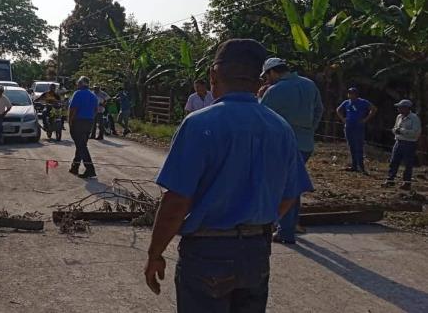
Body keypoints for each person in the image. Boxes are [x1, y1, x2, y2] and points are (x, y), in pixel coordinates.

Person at [144, 39, 312, 313]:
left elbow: (176, 202)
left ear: (213, 76)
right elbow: (290, 194)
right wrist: (259, 224)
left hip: (207, 253)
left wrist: (155, 254)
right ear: (259, 79)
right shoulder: (279, 127)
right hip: (256, 252)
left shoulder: (199, 124)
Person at [260, 57, 323, 244]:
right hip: (305, 144)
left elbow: (260, 117)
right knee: (293, 185)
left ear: (273, 72)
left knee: (283, 188)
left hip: (282, 146)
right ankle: (291, 224)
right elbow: (320, 109)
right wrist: (309, 129)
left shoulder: (275, 91)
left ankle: (285, 231)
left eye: (267, 76)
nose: (266, 80)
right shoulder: (309, 84)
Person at [382, 99, 422, 190]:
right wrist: (395, 131)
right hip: (398, 142)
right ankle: (390, 180)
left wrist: (402, 131)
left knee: (408, 164)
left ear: (407, 108)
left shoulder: (414, 118)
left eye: (401, 107)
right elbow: (395, 127)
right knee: (393, 161)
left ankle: (407, 182)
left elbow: (416, 132)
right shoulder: (399, 117)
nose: (399, 109)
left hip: (409, 143)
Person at [336, 87, 377, 173]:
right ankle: (354, 166)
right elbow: (338, 110)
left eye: (352, 93)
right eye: (349, 93)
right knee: (351, 146)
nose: (350, 95)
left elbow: (373, 109)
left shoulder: (363, 102)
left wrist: (365, 119)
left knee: (359, 146)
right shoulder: (346, 102)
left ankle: (361, 167)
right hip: (349, 126)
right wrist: (343, 119)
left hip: (358, 127)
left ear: (356, 94)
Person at [68, 76, 99, 178]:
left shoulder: (78, 94)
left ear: (81, 83)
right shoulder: (93, 95)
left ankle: (90, 169)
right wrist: (90, 119)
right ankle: (75, 167)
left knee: (81, 146)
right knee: (81, 145)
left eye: (78, 83)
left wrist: (70, 121)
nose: (77, 84)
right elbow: (95, 110)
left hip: (79, 122)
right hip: (89, 122)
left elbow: (73, 109)